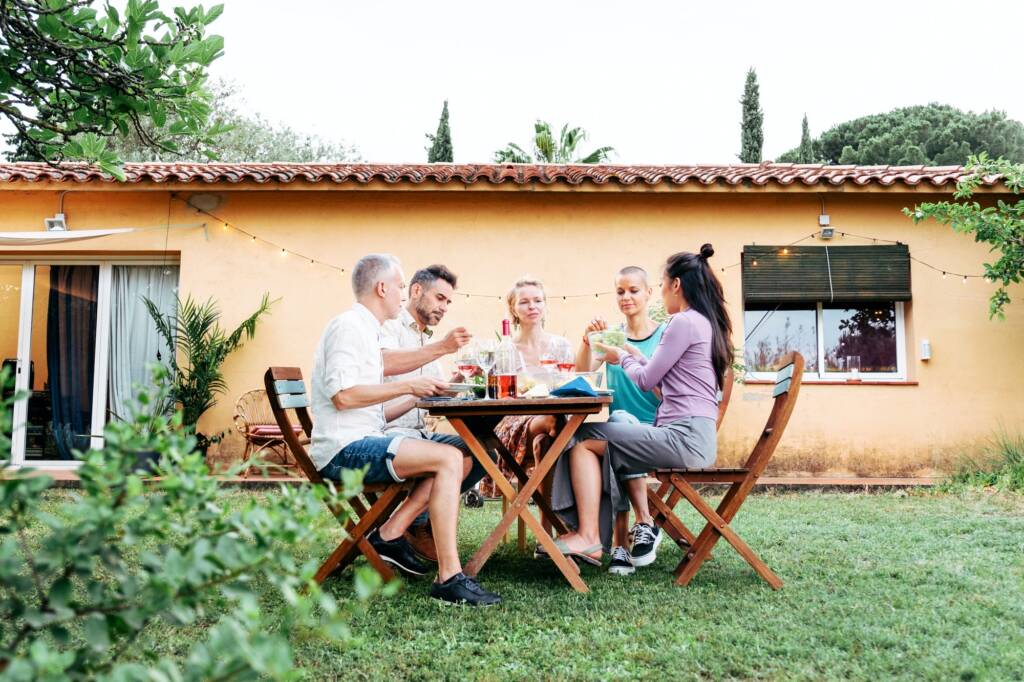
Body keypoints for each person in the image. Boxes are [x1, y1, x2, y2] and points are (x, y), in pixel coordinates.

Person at [309, 253, 501, 606]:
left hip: (366, 437)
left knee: (457, 455)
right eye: (399, 286)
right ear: (383, 288)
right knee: (448, 459)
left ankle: (393, 534)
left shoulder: (366, 330)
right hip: (343, 449)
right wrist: (409, 387)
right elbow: (344, 396)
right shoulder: (348, 326)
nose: (402, 294)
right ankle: (449, 576)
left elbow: (382, 375)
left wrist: (419, 384)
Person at [548, 244, 732, 576]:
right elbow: (666, 375)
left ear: (676, 285)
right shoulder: (703, 322)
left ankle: (589, 535)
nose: (663, 295)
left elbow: (647, 381)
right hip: (691, 435)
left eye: (661, 286)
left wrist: (623, 358)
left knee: (579, 438)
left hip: (683, 437)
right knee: (593, 440)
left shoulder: (681, 323)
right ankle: (596, 536)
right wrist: (632, 353)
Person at [379, 264, 491, 562]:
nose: (444, 307)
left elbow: (433, 390)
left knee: (484, 452)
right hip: (387, 432)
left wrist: (456, 383)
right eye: (440, 298)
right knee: (455, 456)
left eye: (448, 302)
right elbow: (384, 363)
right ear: (416, 291)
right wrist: (442, 347)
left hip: (416, 431)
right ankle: (412, 525)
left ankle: (412, 520)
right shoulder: (389, 326)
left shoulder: (425, 339)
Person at [575, 266, 666, 573]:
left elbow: (666, 390)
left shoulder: (665, 336)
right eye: (620, 291)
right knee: (610, 433)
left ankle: (636, 528)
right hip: (620, 433)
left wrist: (628, 355)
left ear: (649, 293)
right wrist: (588, 341)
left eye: (633, 290)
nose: (626, 297)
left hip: (658, 429)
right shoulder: (611, 337)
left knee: (619, 429)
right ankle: (628, 539)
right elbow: (582, 375)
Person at [486, 277, 572, 495]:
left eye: (538, 300)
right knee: (556, 420)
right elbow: (496, 397)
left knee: (544, 442)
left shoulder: (561, 346)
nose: (532, 306)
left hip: (552, 424)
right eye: (524, 302)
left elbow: (570, 389)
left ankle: (546, 521)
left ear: (545, 305)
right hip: (513, 421)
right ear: (513, 309)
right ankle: (560, 514)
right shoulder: (504, 350)